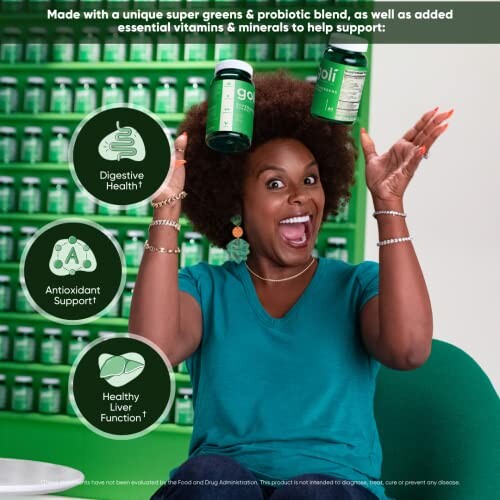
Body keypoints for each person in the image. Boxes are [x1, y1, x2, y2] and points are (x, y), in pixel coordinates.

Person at [129, 72, 452, 499]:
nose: (300, 195)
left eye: (311, 179)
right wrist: (166, 210)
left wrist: (389, 203)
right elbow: (152, 352)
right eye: (275, 183)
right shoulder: (205, 288)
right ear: (236, 205)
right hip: (224, 488)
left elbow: (409, 350)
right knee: (214, 478)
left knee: (312, 493)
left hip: (335, 490)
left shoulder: (357, 286)